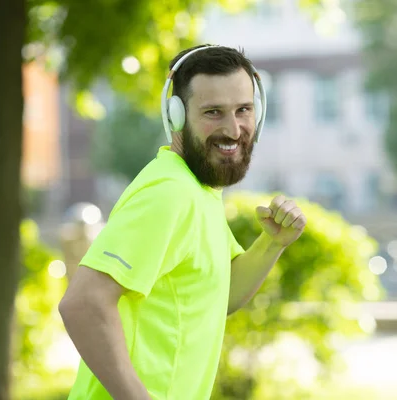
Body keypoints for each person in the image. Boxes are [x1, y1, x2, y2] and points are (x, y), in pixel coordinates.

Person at [59, 44, 307, 400]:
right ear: (176, 115)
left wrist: (273, 242)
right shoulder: (169, 192)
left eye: (243, 110)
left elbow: (221, 293)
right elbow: (83, 304)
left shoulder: (198, 189)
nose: (234, 129)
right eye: (213, 112)